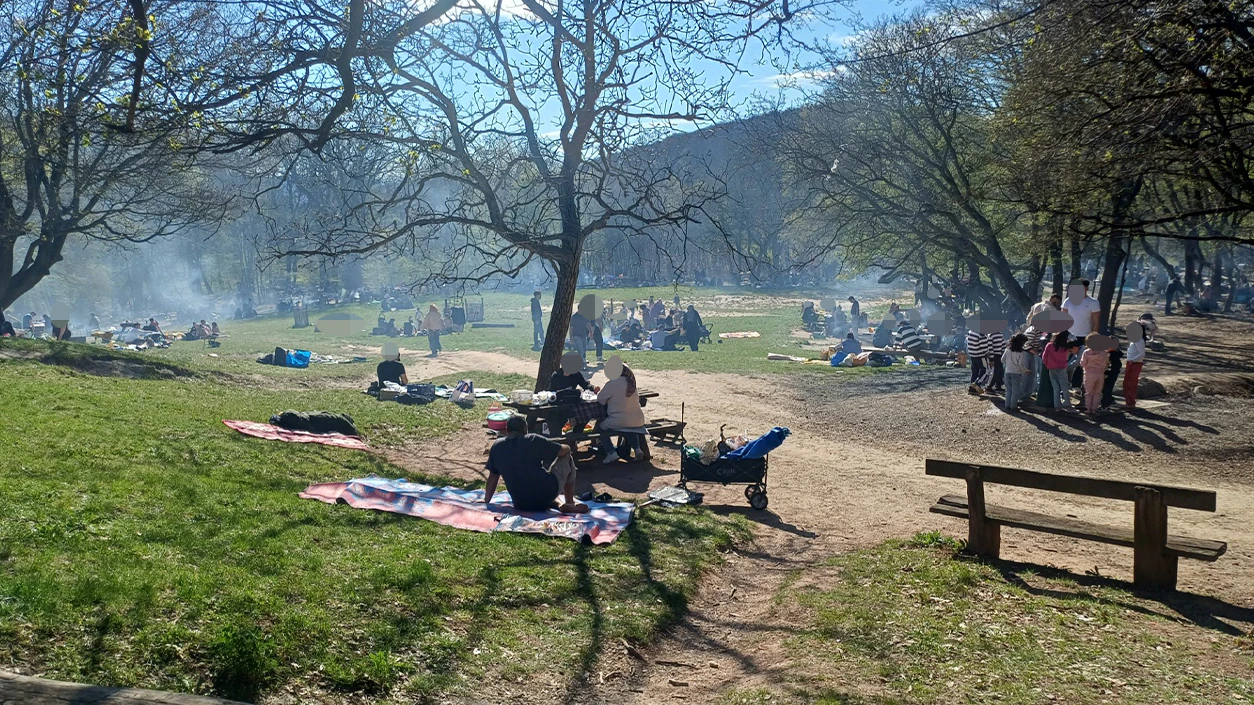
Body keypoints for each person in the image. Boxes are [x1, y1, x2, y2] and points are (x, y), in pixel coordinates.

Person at [483, 415, 587, 514]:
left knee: (534, 489)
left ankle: (560, 504)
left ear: (507, 430)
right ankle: (569, 503)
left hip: (520, 503)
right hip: (545, 495)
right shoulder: (533, 439)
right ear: (525, 429)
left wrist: (486, 501)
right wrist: (567, 446)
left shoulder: (497, 446)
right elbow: (563, 451)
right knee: (567, 458)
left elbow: (493, 476)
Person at [597, 362, 650, 464]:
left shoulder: (612, 383)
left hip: (619, 419)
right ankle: (637, 448)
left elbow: (600, 399)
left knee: (599, 428)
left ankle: (611, 452)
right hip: (638, 420)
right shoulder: (631, 382)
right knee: (629, 428)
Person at [1079, 333, 1110, 415]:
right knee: (1097, 393)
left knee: (1089, 393)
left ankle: (1088, 408)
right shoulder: (1103, 353)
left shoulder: (1086, 353)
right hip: (1100, 374)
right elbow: (1107, 362)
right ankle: (1094, 409)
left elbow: (1082, 363)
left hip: (1089, 374)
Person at [1042, 331, 1074, 411]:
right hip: (1062, 368)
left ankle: (1057, 406)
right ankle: (1067, 404)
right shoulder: (1065, 347)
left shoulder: (1049, 345)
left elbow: (1044, 356)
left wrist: (1047, 364)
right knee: (1064, 387)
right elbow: (1067, 358)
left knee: (1056, 387)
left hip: (1051, 368)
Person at [1002, 333, 1034, 410]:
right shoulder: (1021, 352)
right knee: (1015, 391)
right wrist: (1026, 371)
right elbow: (1021, 365)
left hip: (1007, 371)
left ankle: (1007, 405)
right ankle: (1013, 406)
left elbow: (1002, 360)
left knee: (1009, 390)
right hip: (1016, 373)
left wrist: (1009, 364)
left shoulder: (1007, 350)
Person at [1124, 322, 1147, 408]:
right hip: (1131, 362)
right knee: (1127, 382)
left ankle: (1130, 402)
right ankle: (1128, 401)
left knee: (1130, 383)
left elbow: (1142, 354)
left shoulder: (1139, 340)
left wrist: (1132, 361)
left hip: (1134, 363)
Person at [966, 326, 990, 393]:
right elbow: (984, 348)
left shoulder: (971, 331)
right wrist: (988, 353)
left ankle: (971, 388)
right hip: (980, 355)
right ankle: (977, 383)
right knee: (986, 371)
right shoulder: (981, 334)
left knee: (975, 371)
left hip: (972, 354)